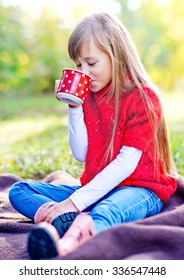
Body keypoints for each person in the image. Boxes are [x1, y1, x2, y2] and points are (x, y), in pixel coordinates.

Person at [9, 12, 177, 259]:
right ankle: (67, 222)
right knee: (19, 191)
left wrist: (75, 202)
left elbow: (125, 164)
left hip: (141, 190)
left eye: (91, 63)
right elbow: (81, 154)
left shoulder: (143, 99)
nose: (84, 72)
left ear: (116, 56)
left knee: (108, 210)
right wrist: (74, 107)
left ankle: (67, 245)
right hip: (97, 188)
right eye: (78, 65)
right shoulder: (88, 96)